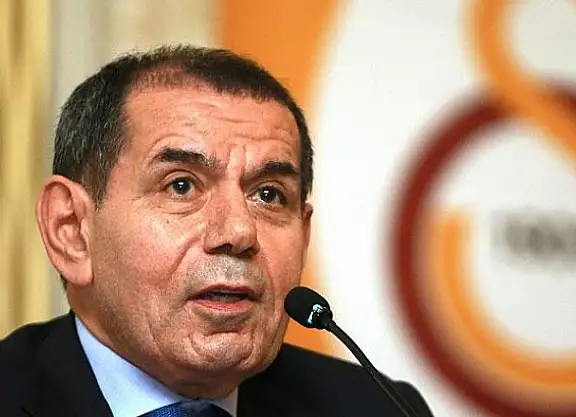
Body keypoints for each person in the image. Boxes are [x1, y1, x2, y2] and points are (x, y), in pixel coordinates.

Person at [0, 45, 434, 417]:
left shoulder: (376, 407)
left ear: (304, 236)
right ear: (72, 230)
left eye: (268, 194)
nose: (239, 231)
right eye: (181, 186)